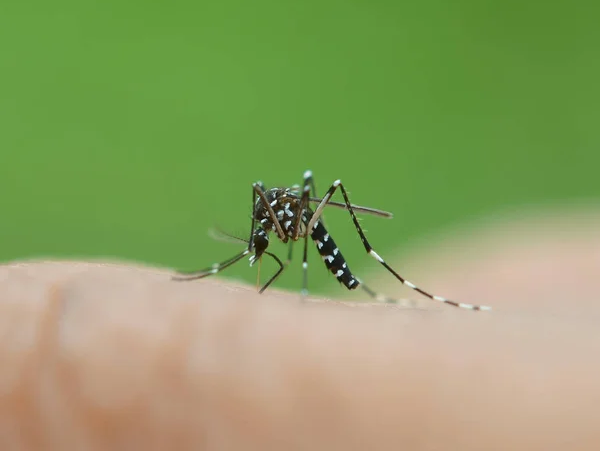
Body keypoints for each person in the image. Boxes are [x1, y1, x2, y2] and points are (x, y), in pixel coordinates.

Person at [1, 209, 599, 450]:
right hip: (300, 232)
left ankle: (327, 283)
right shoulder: (269, 220)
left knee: (312, 201)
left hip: (323, 239)